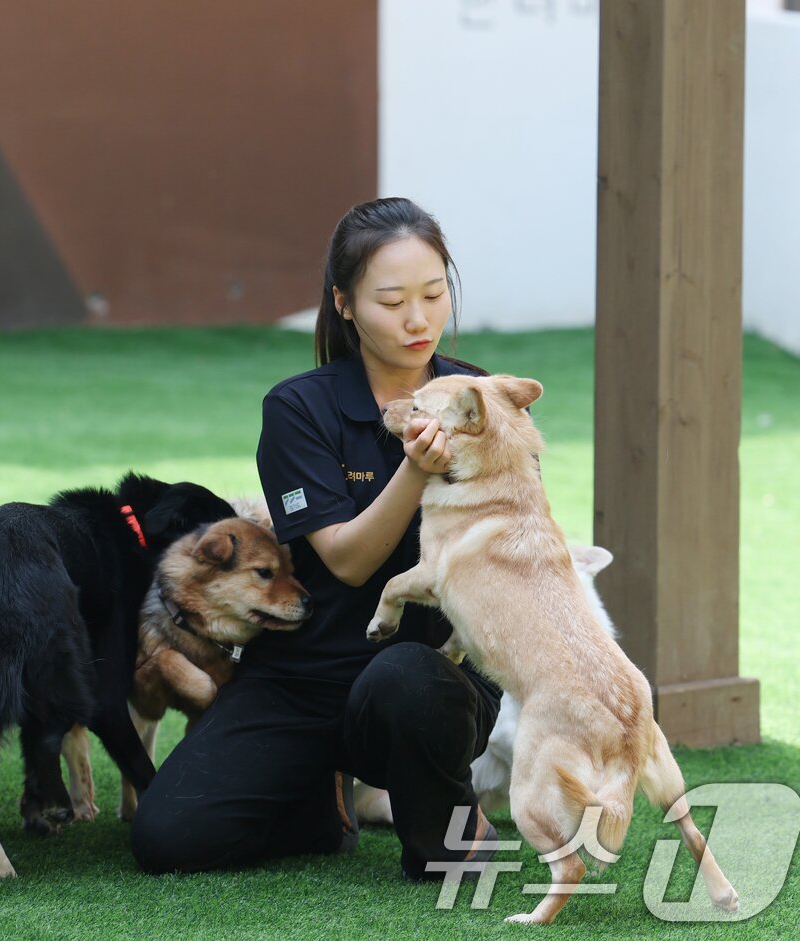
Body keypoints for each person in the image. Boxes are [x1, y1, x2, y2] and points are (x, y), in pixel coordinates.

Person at [131, 197, 502, 879]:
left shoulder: (484, 397)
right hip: (304, 678)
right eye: (392, 300)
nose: (418, 318)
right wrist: (417, 469)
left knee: (406, 675)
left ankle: (442, 831)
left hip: (431, 674)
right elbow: (348, 560)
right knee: (167, 837)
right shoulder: (300, 408)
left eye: (433, 292)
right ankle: (316, 806)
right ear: (345, 303)